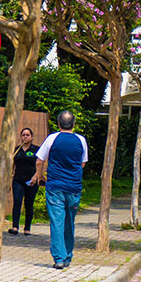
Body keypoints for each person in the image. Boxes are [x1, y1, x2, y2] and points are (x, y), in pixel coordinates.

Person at [34, 111, 88, 270]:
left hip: (55, 186)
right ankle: (68, 256)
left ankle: (59, 258)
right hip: (74, 187)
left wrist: (40, 176)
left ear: (58, 124)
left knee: (57, 222)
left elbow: (39, 161)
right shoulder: (81, 140)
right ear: (74, 124)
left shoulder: (52, 138)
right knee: (69, 222)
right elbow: (82, 163)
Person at [9, 128, 41, 236]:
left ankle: (27, 228)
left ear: (32, 137)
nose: (25, 137)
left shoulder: (36, 149)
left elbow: (40, 164)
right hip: (18, 180)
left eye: (27, 135)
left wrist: (35, 177)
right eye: (23, 135)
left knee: (29, 204)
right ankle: (15, 227)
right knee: (17, 201)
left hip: (31, 181)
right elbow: (12, 163)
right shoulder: (17, 150)